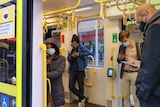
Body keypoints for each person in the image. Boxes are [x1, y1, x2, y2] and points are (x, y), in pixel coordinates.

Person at [134, 3, 160, 107]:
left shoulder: (154, 27)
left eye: (139, 21)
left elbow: (152, 63)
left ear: (145, 14)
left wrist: (143, 91)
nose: (140, 25)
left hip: (153, 92)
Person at [117, 30, 141, 107]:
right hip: (125, 73)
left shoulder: (138, 46)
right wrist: (120, 58)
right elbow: (118, 61)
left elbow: (143, 59)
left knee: (135, 96)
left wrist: (137, 62)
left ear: (129, 37)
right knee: (126, 96)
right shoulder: (122, 47)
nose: (124, 43)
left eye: (125, 41)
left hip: (135, 73)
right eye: (122, 42)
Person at [67, 34, 91, 107]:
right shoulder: (71, 49)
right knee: (71, 87)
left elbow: (89, 52)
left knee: (81, 86)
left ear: (78, 43)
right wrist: (72, 56)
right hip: (72, 70)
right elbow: (68, 59)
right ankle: (83, 97)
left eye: (75, 43)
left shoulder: (81, 47)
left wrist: (79, 54)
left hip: (80, 70)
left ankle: (81, 103)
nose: (74, 45)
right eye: (73, 43)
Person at [46, 43, 66, 107]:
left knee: (55, 103)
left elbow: (58, 72)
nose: (49, 50)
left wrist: (45, 74)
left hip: (56, 85)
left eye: (51, 48)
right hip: (46, 85)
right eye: (48, 48)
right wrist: (45, 64)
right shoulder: (44, 58)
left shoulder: (61, 59)